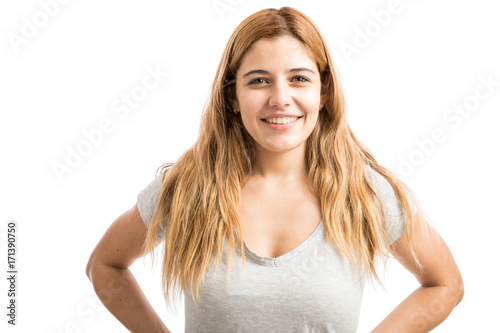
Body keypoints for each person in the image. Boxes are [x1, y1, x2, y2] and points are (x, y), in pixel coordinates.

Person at [86, 6, 463, 333]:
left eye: (299, 78)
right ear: (233, 97)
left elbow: (445, 284)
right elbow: (104, 265)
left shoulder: (364, 193)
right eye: (259, 80)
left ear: (324, 92)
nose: (280, 99)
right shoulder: (188, 188)